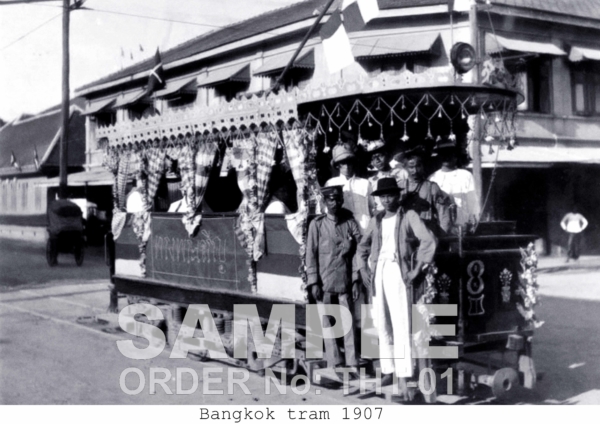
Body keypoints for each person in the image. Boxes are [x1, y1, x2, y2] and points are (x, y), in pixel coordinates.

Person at [357, 177, 437, 392]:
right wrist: (363, 269)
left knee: (401, 323)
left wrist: (417, 269)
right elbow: (362, 247)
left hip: (397, 271)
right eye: (383, 196)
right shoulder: (376, 219)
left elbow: (428, 241)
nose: (386, 199)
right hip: (378, 273)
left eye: (390, 195)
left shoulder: (408, 216)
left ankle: (404, 373)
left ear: (398, 195)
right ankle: (388, 369)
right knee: (382, 322)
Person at [306, 185, 362, 378]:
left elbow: (358, 252)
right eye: (331, 200)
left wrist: (355, 279)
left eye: (338, 199)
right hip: (324, 282)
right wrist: (313, 282)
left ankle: (352, 363)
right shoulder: (317, 225)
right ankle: (335, 362)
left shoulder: (349, 223)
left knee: (347, 323)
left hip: (345, 280)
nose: (335, 203)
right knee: (328, 324)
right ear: (324, 202)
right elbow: (310, 255)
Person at [402, 153, 454, 235]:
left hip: (427, 231)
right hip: (405, 231)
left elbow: (443, 213)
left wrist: (443, 235)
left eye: (418, 166)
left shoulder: (432, 187)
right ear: (405, 167)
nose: (415, 170)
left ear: (422, 166)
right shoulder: (400, 187)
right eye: (411, 167)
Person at [429, 146, 480, 227]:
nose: (447, 158)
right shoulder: (433, 178)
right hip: (441, 221)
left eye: (450, 155)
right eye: (443, 155)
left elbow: (472, 200)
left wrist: (473, 217)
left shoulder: (466, 175)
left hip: (462, 219)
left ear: (455, 157)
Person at [325, 143, 371, 233]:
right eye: (342, 163)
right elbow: (327, 209)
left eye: (349, 162)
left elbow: (371, 207)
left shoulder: (365, 183)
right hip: (342, 230)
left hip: (364, 229)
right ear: (337, 165)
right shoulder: (331, 183)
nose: (346, 166)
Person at [365, 139, 408, 215]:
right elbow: (372, 206)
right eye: (374, 158)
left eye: (380, 155)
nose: (377, 160)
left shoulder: (402, 172)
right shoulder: (371, 181)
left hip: (403, 212)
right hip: (383, 215)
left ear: (388, 156)